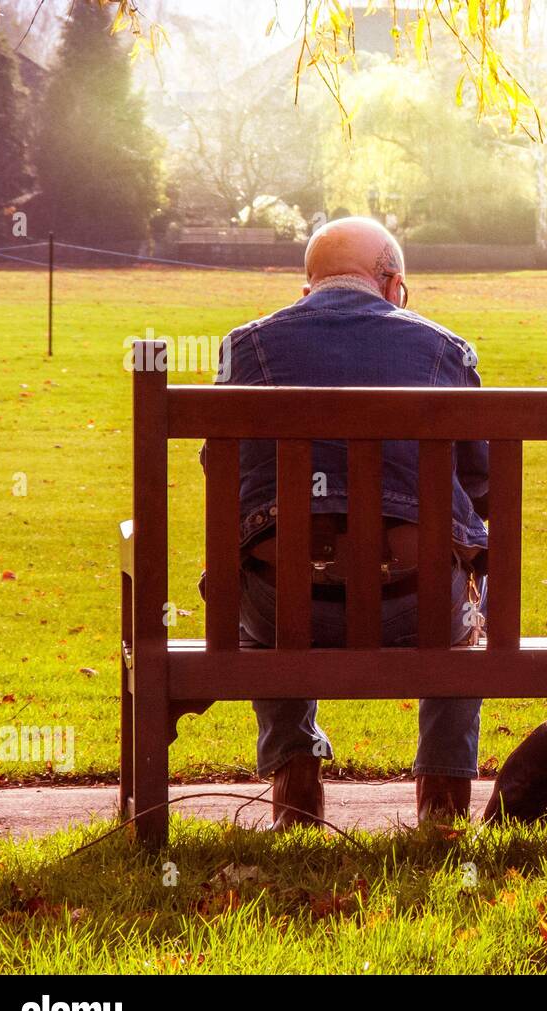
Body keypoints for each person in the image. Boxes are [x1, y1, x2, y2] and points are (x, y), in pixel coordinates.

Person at [202, 217, 489, 830]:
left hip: (283, 607)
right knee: (464, 582)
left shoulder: (244, 348)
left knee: (260, 561)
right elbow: (481, 480)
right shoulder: (445, 349)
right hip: (416, 604)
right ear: (394, 286)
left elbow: (222, 474)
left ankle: (296, 779)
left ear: (307, 290)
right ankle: (442, 803)